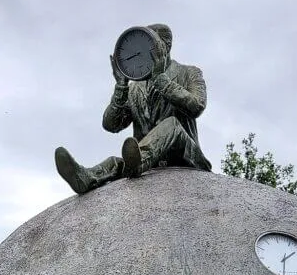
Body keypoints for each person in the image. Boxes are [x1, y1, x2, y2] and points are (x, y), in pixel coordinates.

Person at [54, 23, 212, 195]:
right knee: (115, 163)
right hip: (140, 160)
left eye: (148, 47)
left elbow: (197, 106)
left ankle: (140, 160)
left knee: (172, 124)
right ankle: (86, 178)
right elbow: (110, 125)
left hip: (185, 157)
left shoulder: (190, 73)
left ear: (164, 48)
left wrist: (162, 81)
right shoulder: (136, 88)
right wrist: (121, 86)